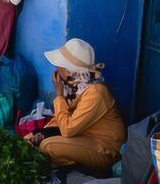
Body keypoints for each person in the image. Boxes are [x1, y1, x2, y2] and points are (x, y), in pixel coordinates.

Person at [27, 38, 125, 174]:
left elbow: (67, 129)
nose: (56, 69)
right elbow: (60, 121)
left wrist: (59, 96)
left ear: (68, 71)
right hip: (82, 137)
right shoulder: (75, 88)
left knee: (47, 146)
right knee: (28, 140)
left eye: (59, 66)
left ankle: (65, 165)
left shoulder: (96, 93)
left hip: (105, 150)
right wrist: (41, 133)